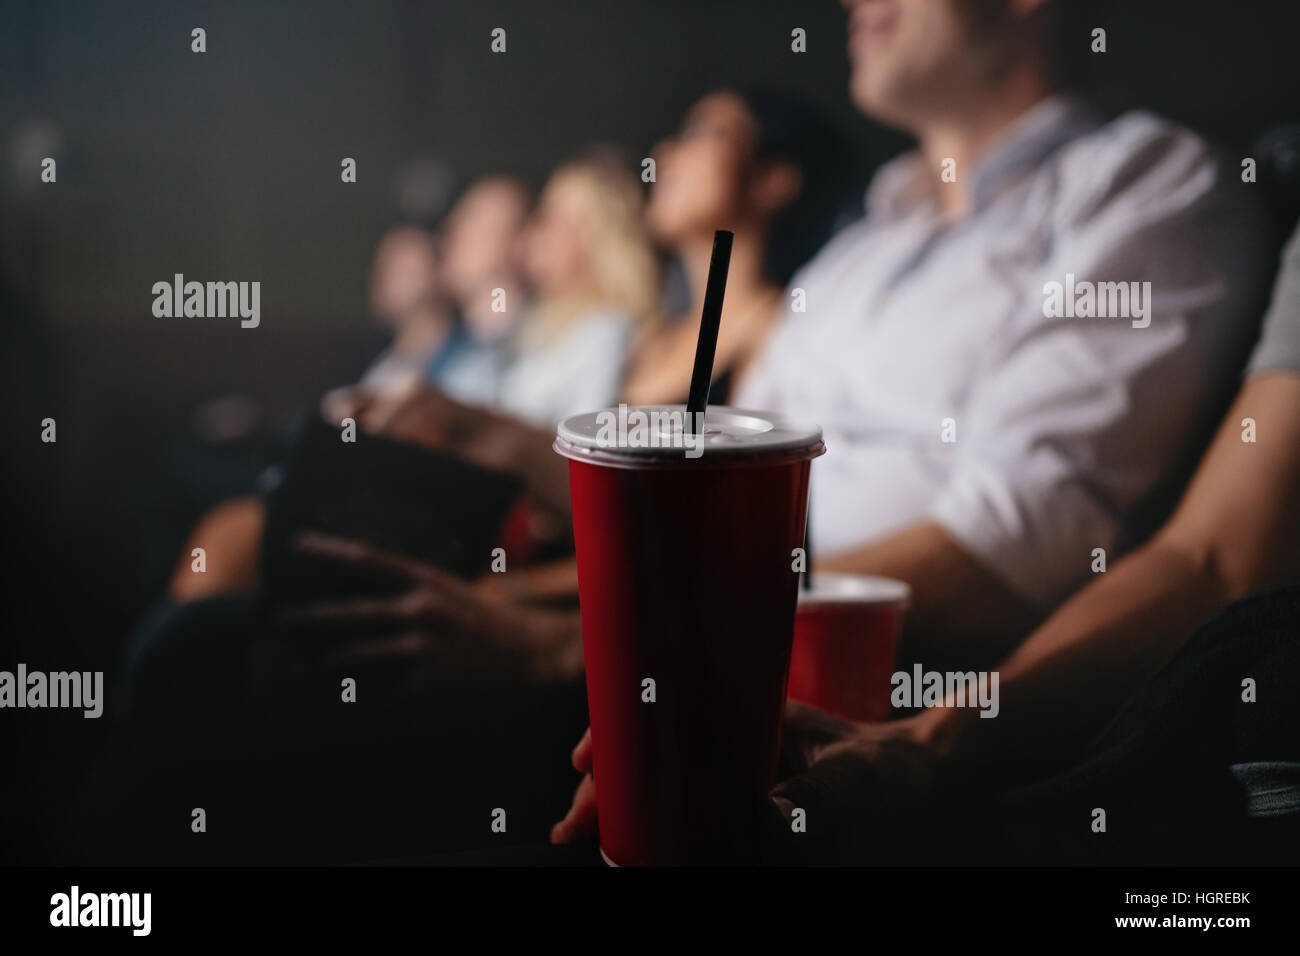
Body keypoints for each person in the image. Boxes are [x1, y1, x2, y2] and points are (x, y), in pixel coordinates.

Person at [560, 224, 1300, 862]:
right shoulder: (860, 244)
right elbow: (1208, 555)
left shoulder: (1140, 180)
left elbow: (1203, 559)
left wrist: (568, 636)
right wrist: (919, 746)